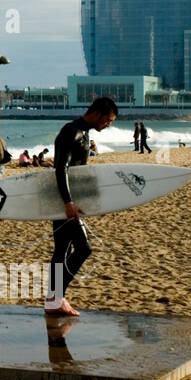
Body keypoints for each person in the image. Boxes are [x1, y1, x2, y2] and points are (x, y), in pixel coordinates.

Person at [46, 96, 118, 317]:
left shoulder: (82, 132)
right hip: (66, 202)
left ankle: (54, 300)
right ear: (97, 113)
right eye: (108, 120)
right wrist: (68, 202)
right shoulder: (73, 131)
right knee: (83, 248)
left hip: (69, 201)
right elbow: (61, 169)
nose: (109, 125)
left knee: (62, 250)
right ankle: (55, 298)